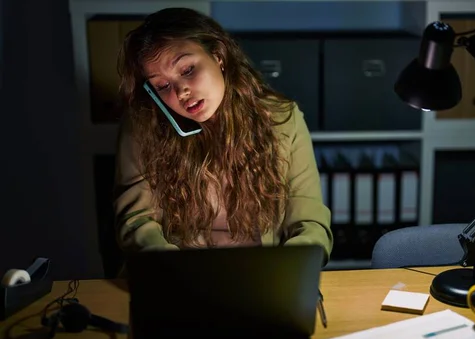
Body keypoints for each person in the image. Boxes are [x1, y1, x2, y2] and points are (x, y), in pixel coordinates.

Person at [113, 7, 333, 267]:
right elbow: (137, 220)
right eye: (162, 85)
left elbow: (309, 220)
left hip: (262, 272)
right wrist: (171, 269)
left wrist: (292, 268)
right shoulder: (143, 126)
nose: (181, 91)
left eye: (187, 70)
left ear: (218, 56)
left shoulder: (283, 119)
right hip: (181, 274)